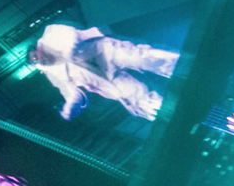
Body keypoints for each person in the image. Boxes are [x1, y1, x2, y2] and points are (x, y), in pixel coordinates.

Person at [29, 24, 178, 121]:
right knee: (137, 99)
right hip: (105, 80)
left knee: (139, 58)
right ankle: (174, 113)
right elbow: (70, 92)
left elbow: (72, 35)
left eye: (36, 57)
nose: (39, 60)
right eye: (36, 62)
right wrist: (71, 105)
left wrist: (69, 51)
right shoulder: (52, 74)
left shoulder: (50, 33)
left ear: (37, 48)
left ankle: (180, 65)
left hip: (104, 51)